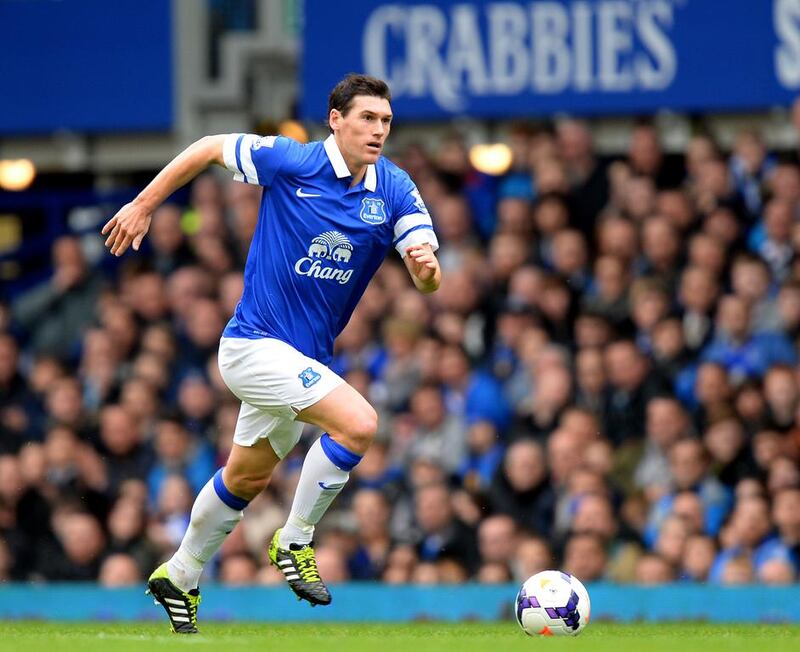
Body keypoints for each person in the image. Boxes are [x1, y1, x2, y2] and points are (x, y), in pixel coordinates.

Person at [101, 74, 441, 634]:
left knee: (246, 478)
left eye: (385, 120)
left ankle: (180, 573)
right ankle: (296, 539)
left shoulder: (396, 187)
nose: (379, 130)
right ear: (336, 119)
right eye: (367, 118)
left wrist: (425, 271)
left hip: (301, 361)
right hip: (253, 346)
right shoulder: (291, 161)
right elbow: (209, 147)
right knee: (359, 425)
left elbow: (425, 268)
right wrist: (143, 204)